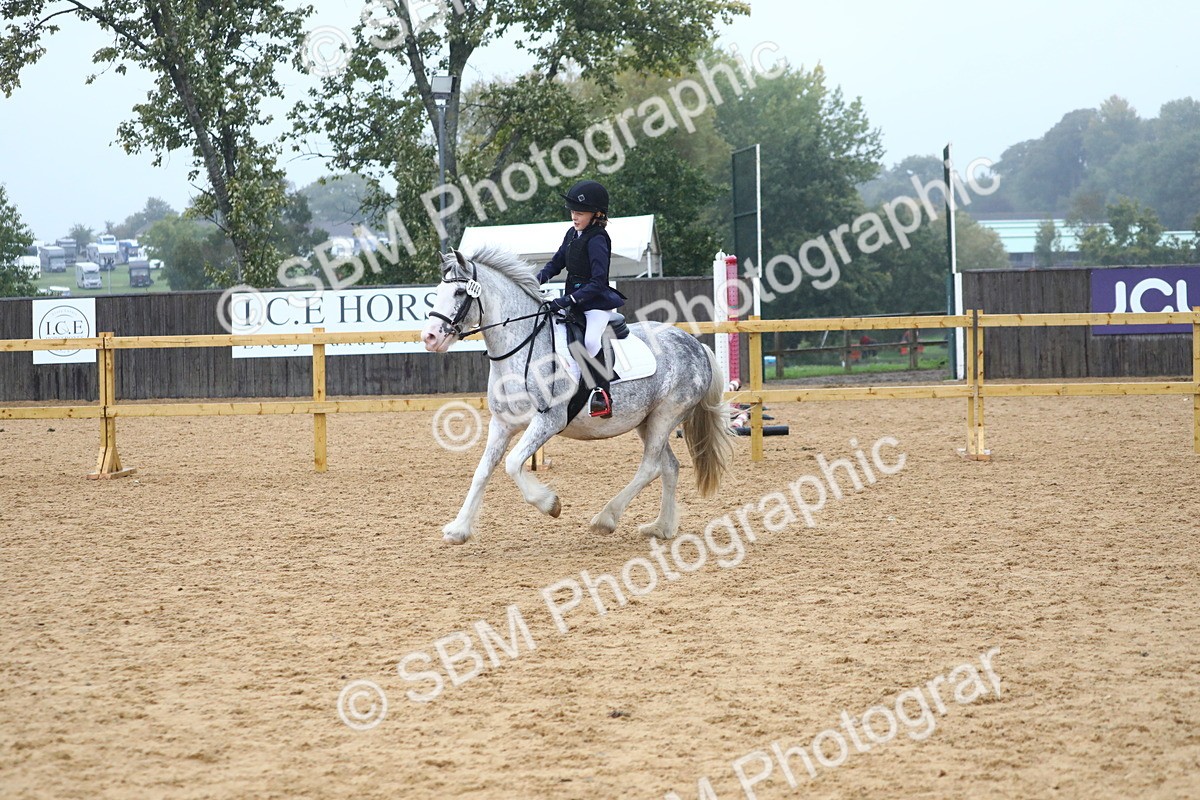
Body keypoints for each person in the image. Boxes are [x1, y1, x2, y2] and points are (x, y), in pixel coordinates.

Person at [536, 179, 626, 418]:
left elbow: (598, 282)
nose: (574, 217)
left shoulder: (598, 238)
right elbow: (557, 262)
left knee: (590, 342)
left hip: (594, 303)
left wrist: (569, 300)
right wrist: (537, 279)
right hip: (574, 298)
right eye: (573, 212)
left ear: (596, 214)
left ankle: (602, 394)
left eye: (580, 213)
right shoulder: (572, 234)